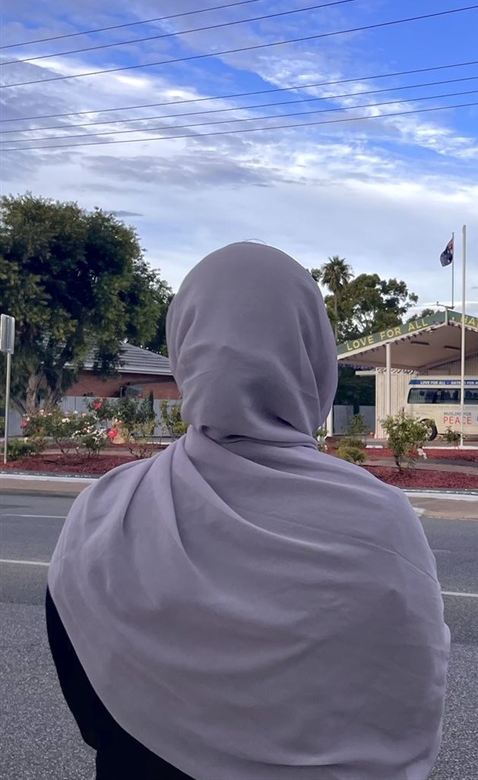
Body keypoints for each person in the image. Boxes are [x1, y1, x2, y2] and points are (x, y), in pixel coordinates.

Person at [47, 242, 450, 779]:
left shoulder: (106, 512)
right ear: (311, 353)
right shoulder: (379, 520)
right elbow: (405, 693)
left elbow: (92, 708)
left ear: (186, 349)